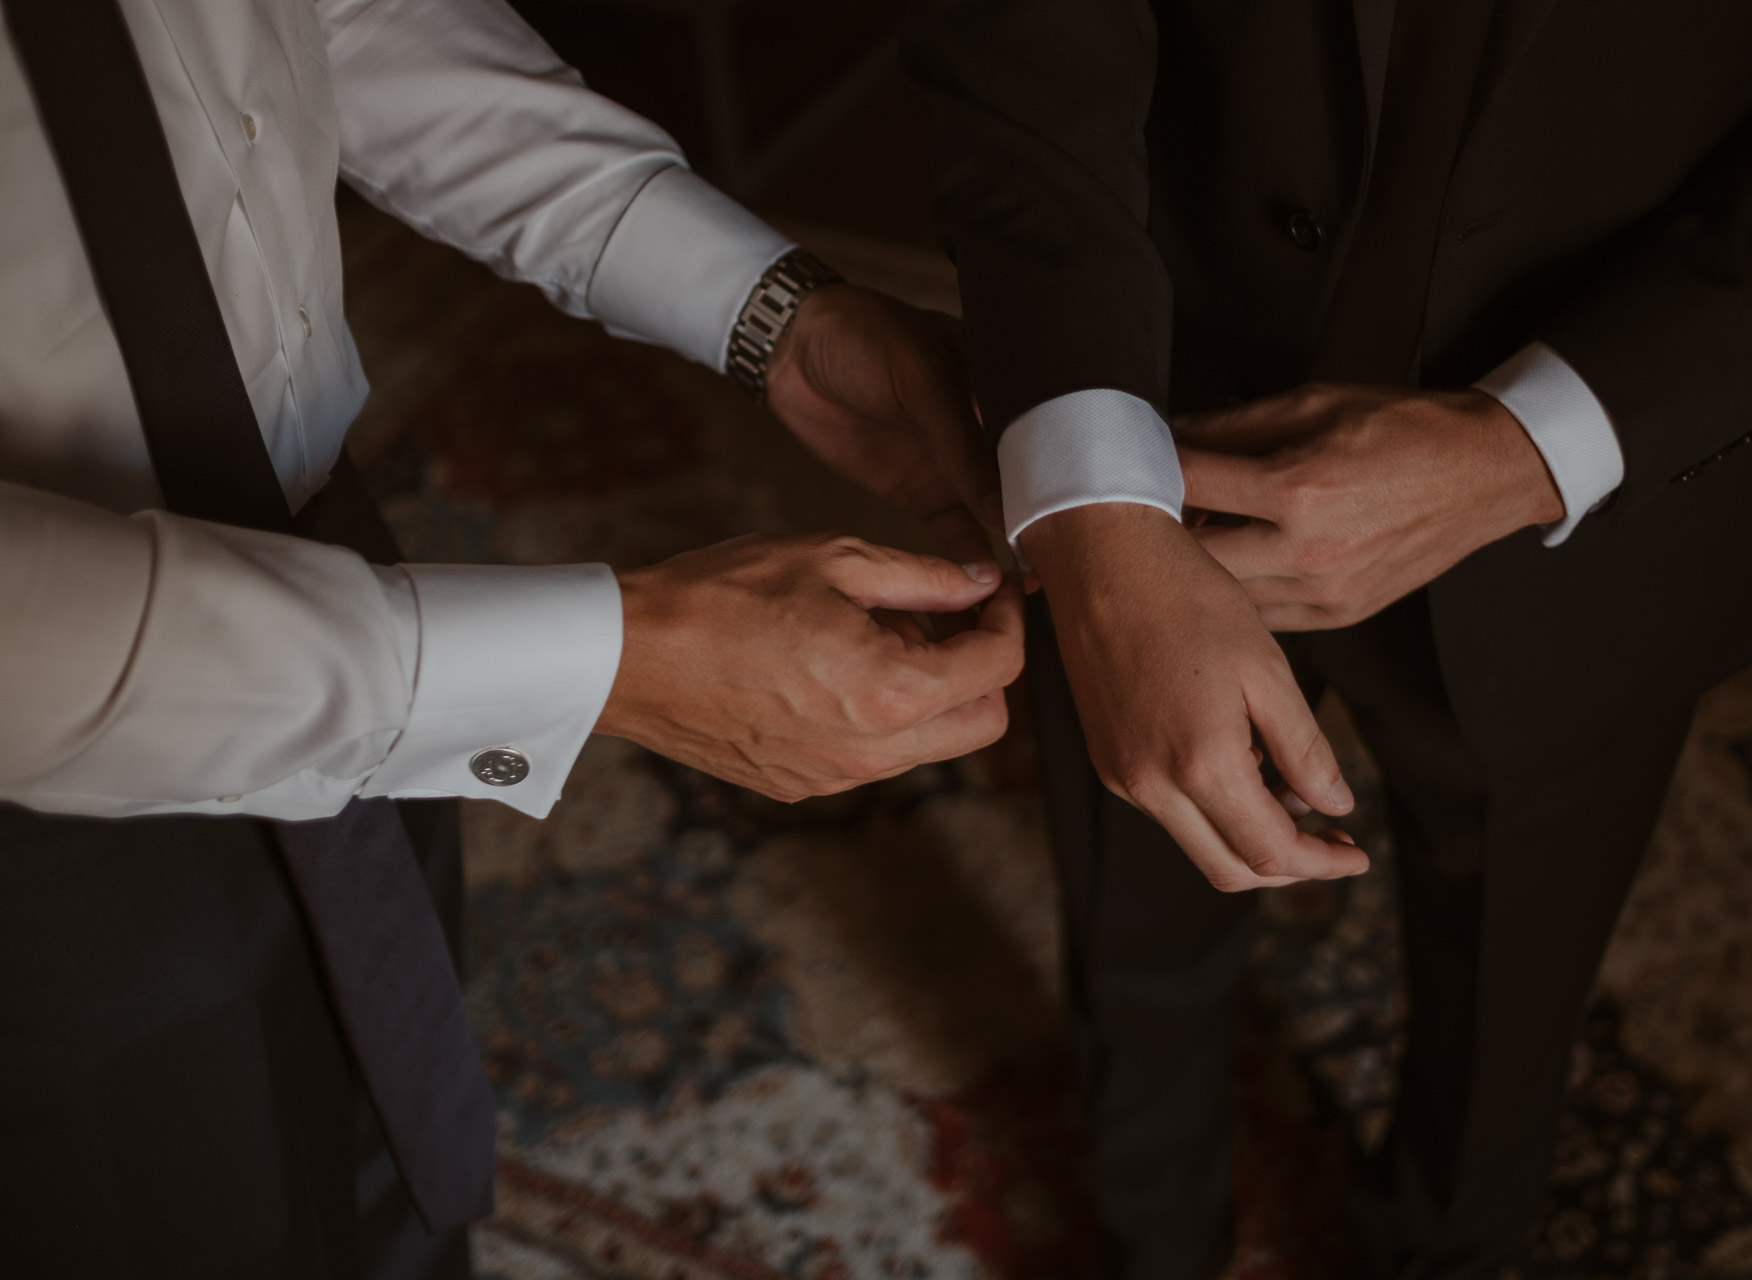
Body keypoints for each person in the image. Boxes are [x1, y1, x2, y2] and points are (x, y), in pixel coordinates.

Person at [904, 0, 1752, 1276]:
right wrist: (1100, 517)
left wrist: (1533, 448)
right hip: (1148, 412)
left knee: (1510, 1006)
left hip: (1607, 492)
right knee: (1130, 918)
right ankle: (1148, 1233)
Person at [0, 0, 1018, 1274]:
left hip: (333, 545)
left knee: (390, 1127)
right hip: (35, 801)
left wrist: (772, 316)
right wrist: (605, 660)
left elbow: (336, 20)